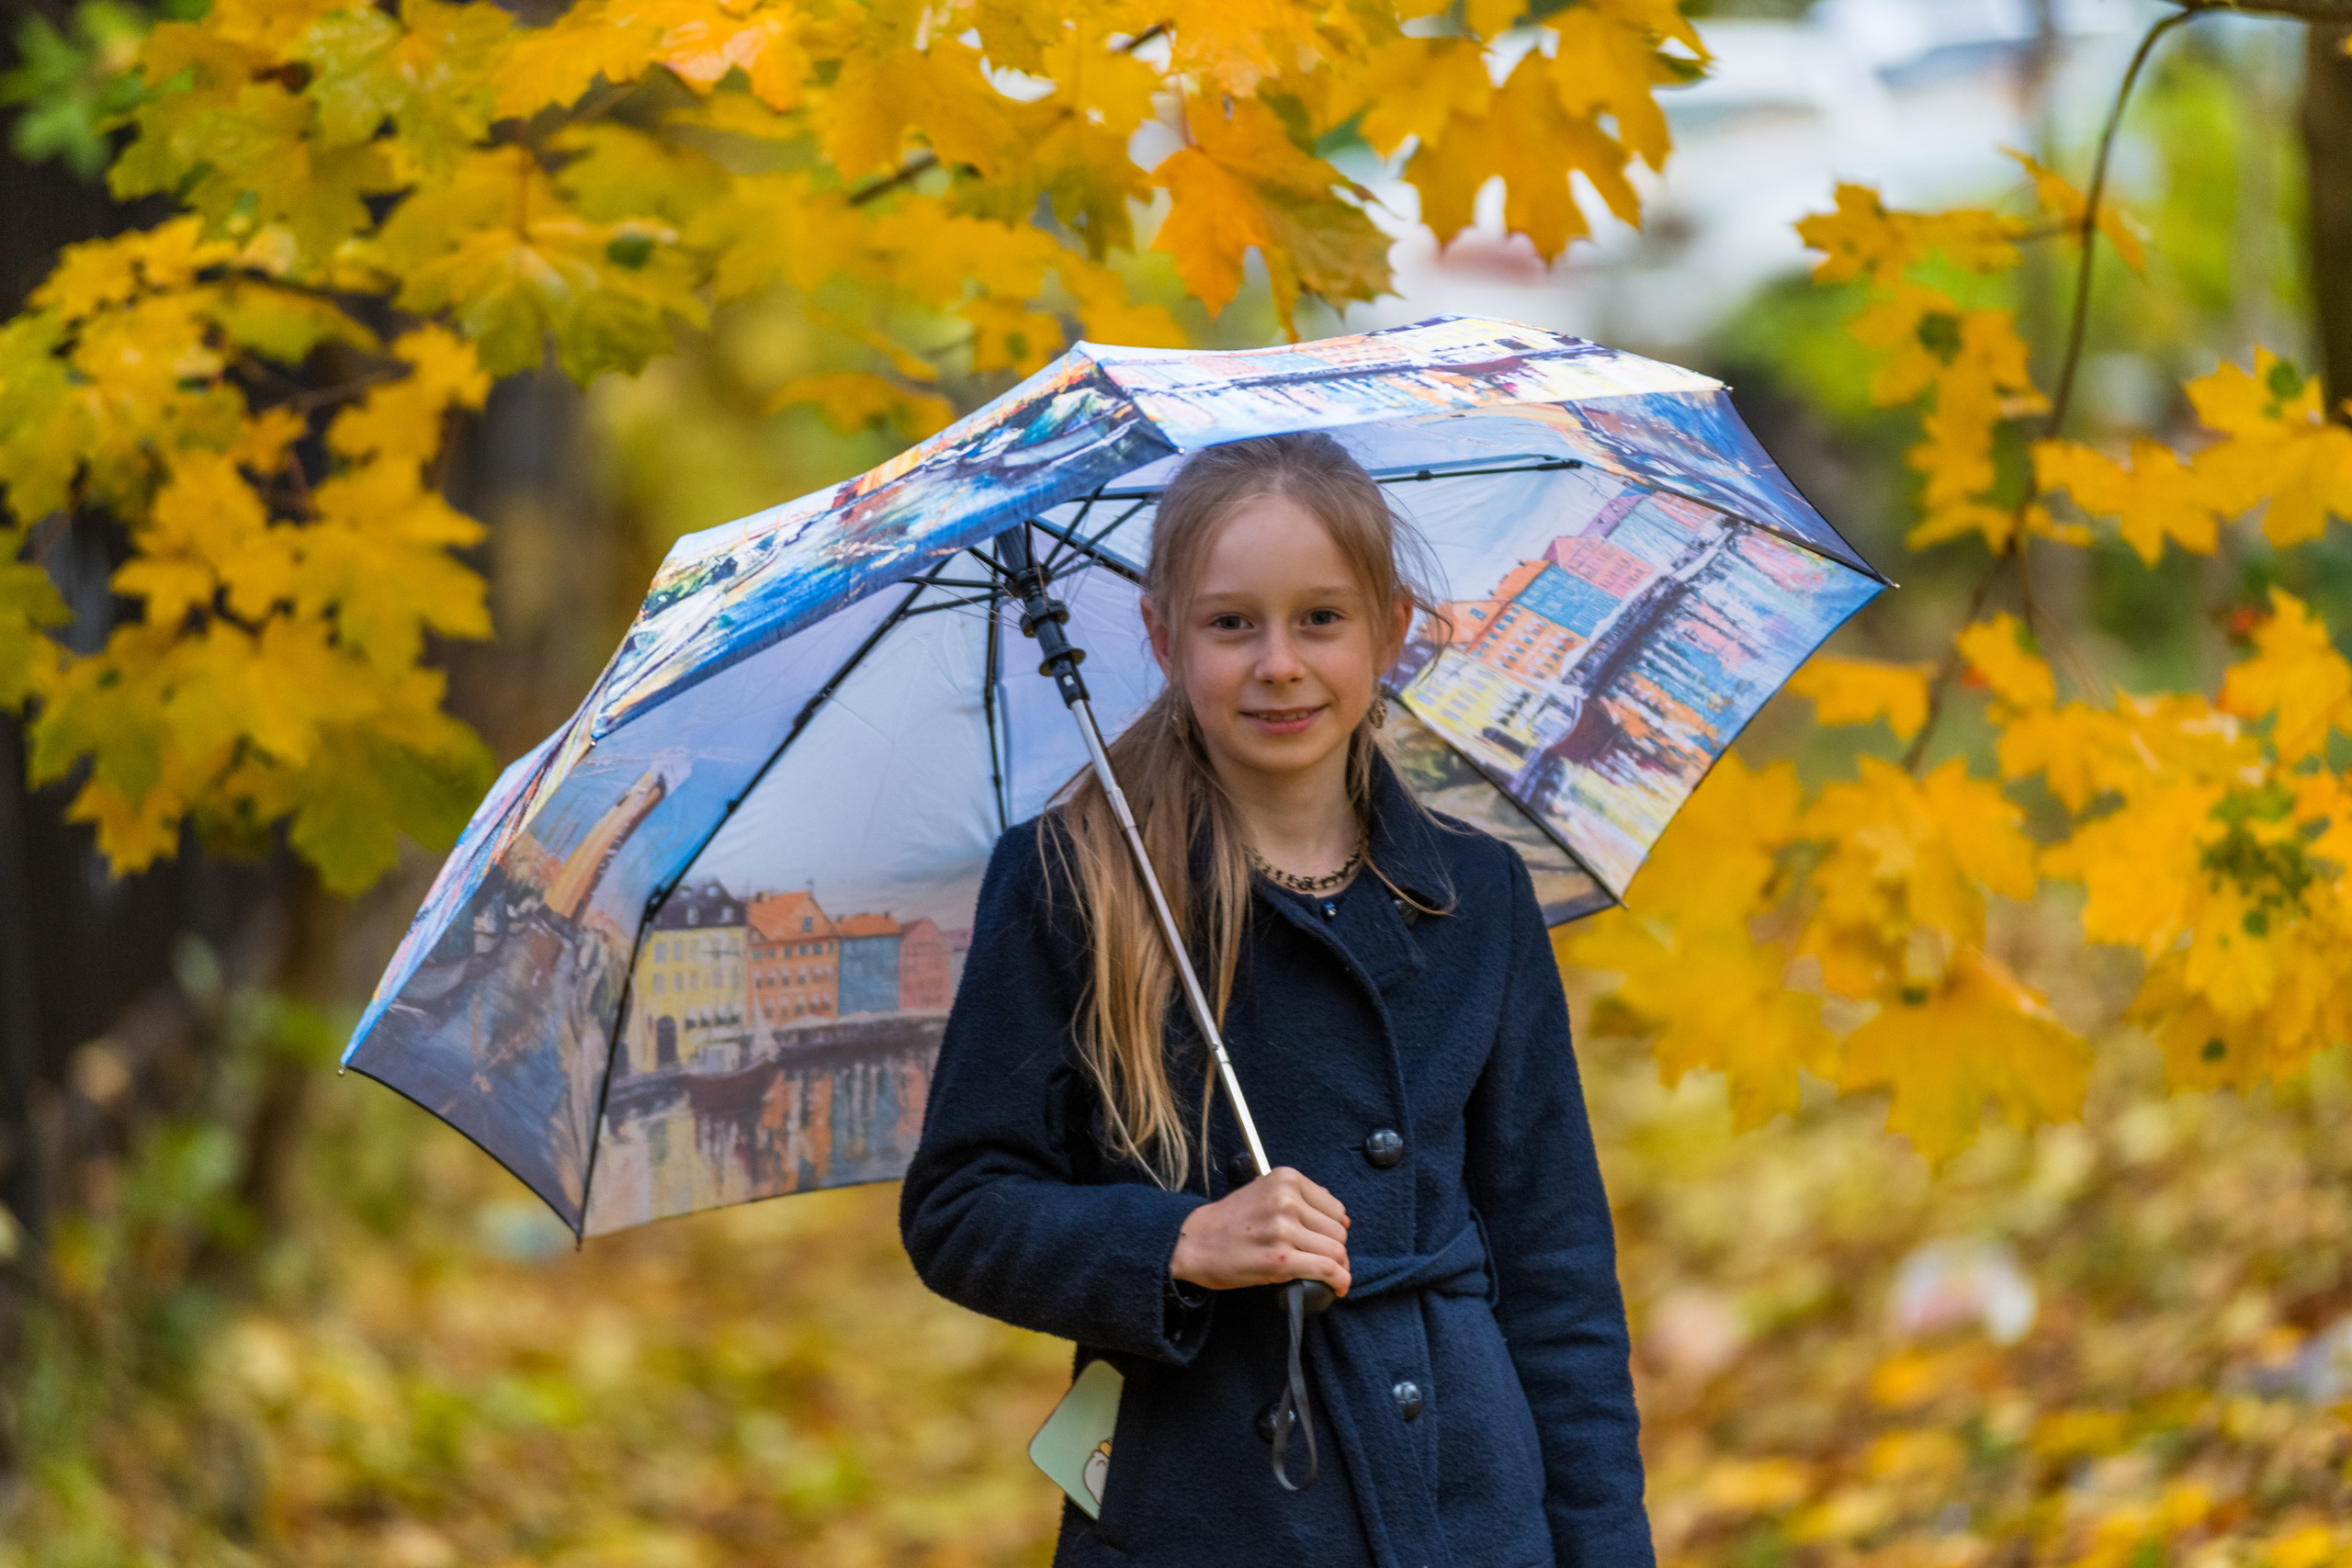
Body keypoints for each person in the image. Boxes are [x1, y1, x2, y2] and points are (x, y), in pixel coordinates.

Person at [899, 433, 1651, 1568]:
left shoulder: (1476, 893)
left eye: (1320, 619)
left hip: (1467, 1501)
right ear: (1161, 636)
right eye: (1230, 622)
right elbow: (961, 1207)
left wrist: (1604, 1551)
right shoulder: (1077, 880)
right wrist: (1179, 1240)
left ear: (1391, 630)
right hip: (1206, 1501)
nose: (1278, 664)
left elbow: (1556, 1272)